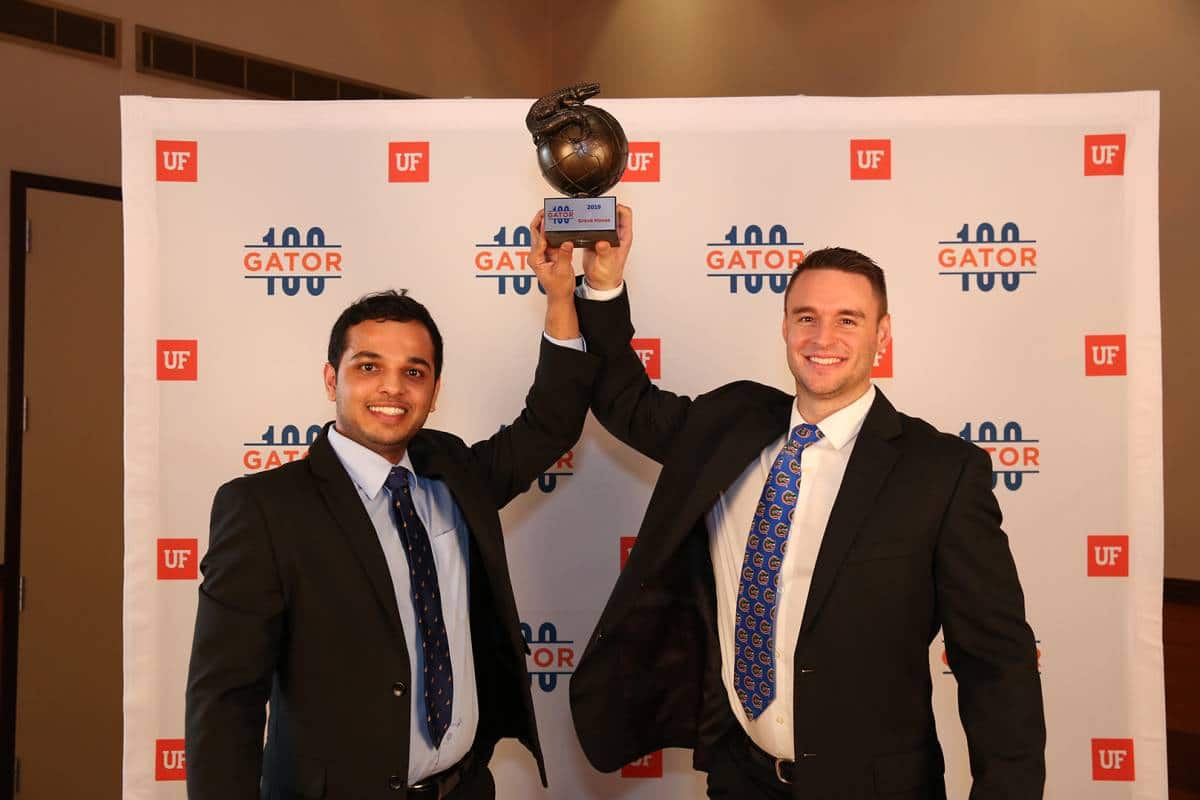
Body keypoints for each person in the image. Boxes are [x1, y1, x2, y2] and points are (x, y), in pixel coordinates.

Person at [545, 207, 1046, 799]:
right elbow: (626, 402)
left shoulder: (941, 473)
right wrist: (602, 284)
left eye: (848, 320)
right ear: (784, 326)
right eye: (806, 317)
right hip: (739, 777)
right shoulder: (728, 423)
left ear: (882, 336)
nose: (823, 339)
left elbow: (996, 663)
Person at [185, 240, 596, 800]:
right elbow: (225, 700)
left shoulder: (454, 473)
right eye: (369, 366)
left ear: (434, 391)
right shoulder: (263, 509)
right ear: (332, 380)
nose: (392, 388)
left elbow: (551, 422)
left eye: (414, 371)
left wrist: (561, 296)